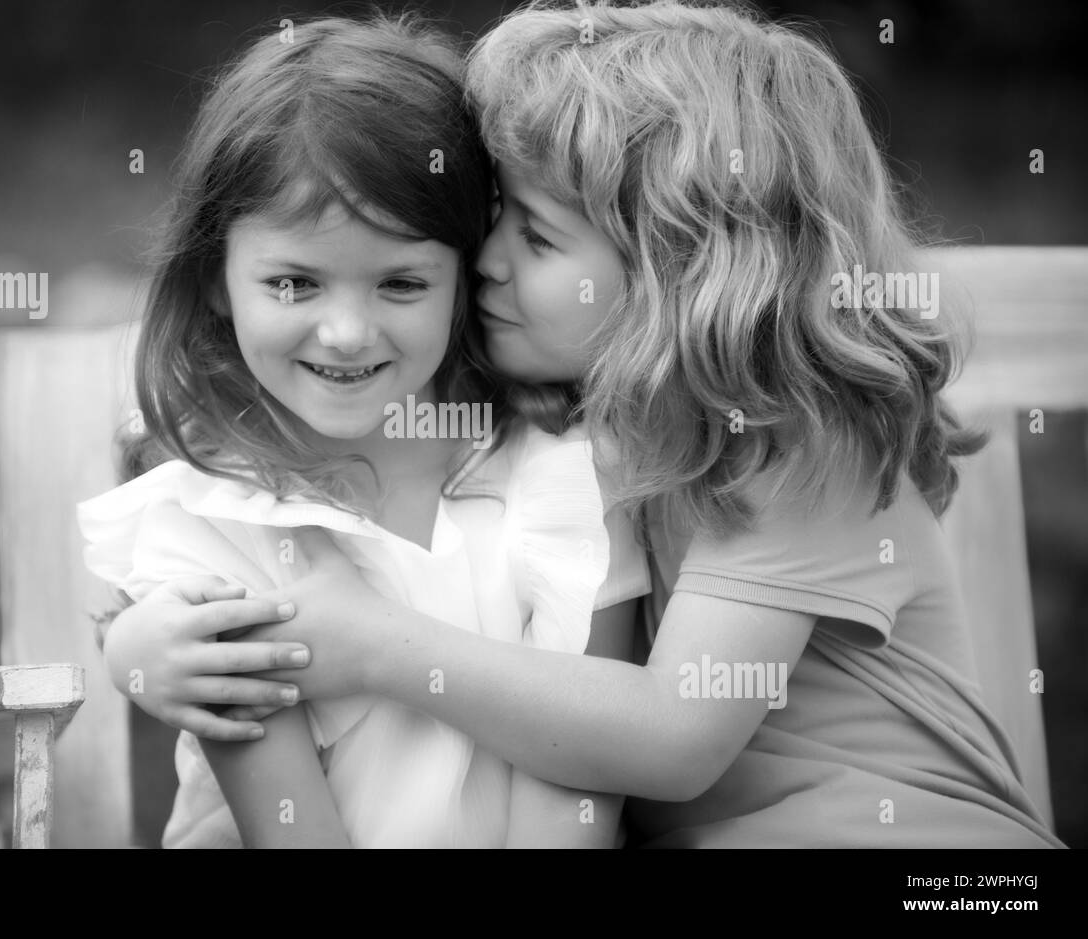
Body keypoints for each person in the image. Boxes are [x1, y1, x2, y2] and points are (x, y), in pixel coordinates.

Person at [99, 0, 1064, 847]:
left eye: (537, 235)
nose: (486, 263)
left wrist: (370, 644)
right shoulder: (582, 435)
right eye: (491, 222)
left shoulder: (797, 435)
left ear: (679, 272)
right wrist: (140, 648)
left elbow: (672, 736)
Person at [77, 13, 647, 849]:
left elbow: (578, 784)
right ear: (216, 281)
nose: (346, 331)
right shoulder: (218, 533)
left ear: (468, 275)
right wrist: (130, 649)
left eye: (401, 283)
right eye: (296, 282)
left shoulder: (559, 484)